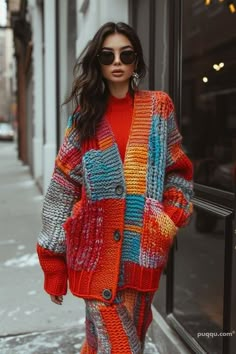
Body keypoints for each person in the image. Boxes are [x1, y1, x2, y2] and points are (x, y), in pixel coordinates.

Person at [37, 22, 194, 354]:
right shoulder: (83, 121)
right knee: (121, 346)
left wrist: (165, 221)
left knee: (113, 338)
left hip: (143, 256)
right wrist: (54, 264)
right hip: (94, 258)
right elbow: (61, 192)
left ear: (136, 61)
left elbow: (178, 173)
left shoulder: (158, 108)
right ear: (98, 62)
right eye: (108, 56)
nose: (117, 62)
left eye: (126, 54)